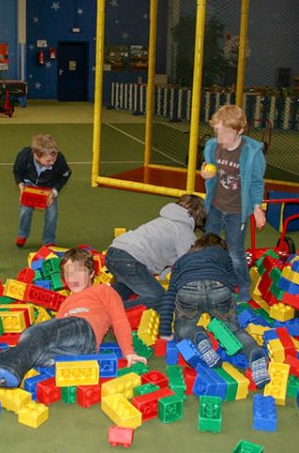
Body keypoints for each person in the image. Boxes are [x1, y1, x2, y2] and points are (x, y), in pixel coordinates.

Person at [0, 247, 147, 393]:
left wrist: (129, 352)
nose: (73, 277)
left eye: (79, 272)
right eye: (68, 273)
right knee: (18, 353)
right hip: (71, 352)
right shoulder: (66, 303)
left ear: (92, 273)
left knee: (37, 332)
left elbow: (119, 320)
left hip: (84, 330)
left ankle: (7, 371)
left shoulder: (102, 290)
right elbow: (56, 329)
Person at [159, 233, 270, 389]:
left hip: (188, 289)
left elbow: (170, 294)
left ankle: (198, 336)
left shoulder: (181, 261)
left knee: (183, 327)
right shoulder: (222, 255)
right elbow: (233, 279)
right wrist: (230, 302)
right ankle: (254, 354)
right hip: (218, 287)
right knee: (233, 329)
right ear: (219, 247)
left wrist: (164, 328)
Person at [201, 104, 266, 302]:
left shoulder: (251, 153)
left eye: (226, 133)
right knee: (208, 246)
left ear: (240, 130)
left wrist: (257, 208)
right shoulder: (213, 147)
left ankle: (243, 284)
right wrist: (205, 174)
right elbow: (209, 170)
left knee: (235, 252)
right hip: (215, 207)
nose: (220, 138)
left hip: (237, 211)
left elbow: (256, 183)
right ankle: (209, 279)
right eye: (217, 132)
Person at [105, 194, 206, 311]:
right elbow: (193, 264)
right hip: (130, 259)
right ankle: (110, 312)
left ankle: (97, 305)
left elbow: (172, 265)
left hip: (114, 252)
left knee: (126, 287)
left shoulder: (163, 220)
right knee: (159, 298)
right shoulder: (184, 231)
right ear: (199, 217)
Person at [13, 133, 71, 248]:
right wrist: (21, 188)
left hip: (49, 186)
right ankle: (22, 234)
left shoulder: (59, 159)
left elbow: (65, 174)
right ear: (36, 155)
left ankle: (49, 241)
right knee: (25, 210)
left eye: (54, 158)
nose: (53, 162)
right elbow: (17, 171)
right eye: (49, 160)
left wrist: (54, 192)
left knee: (52, 213)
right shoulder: (24, 155)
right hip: (30, 184)